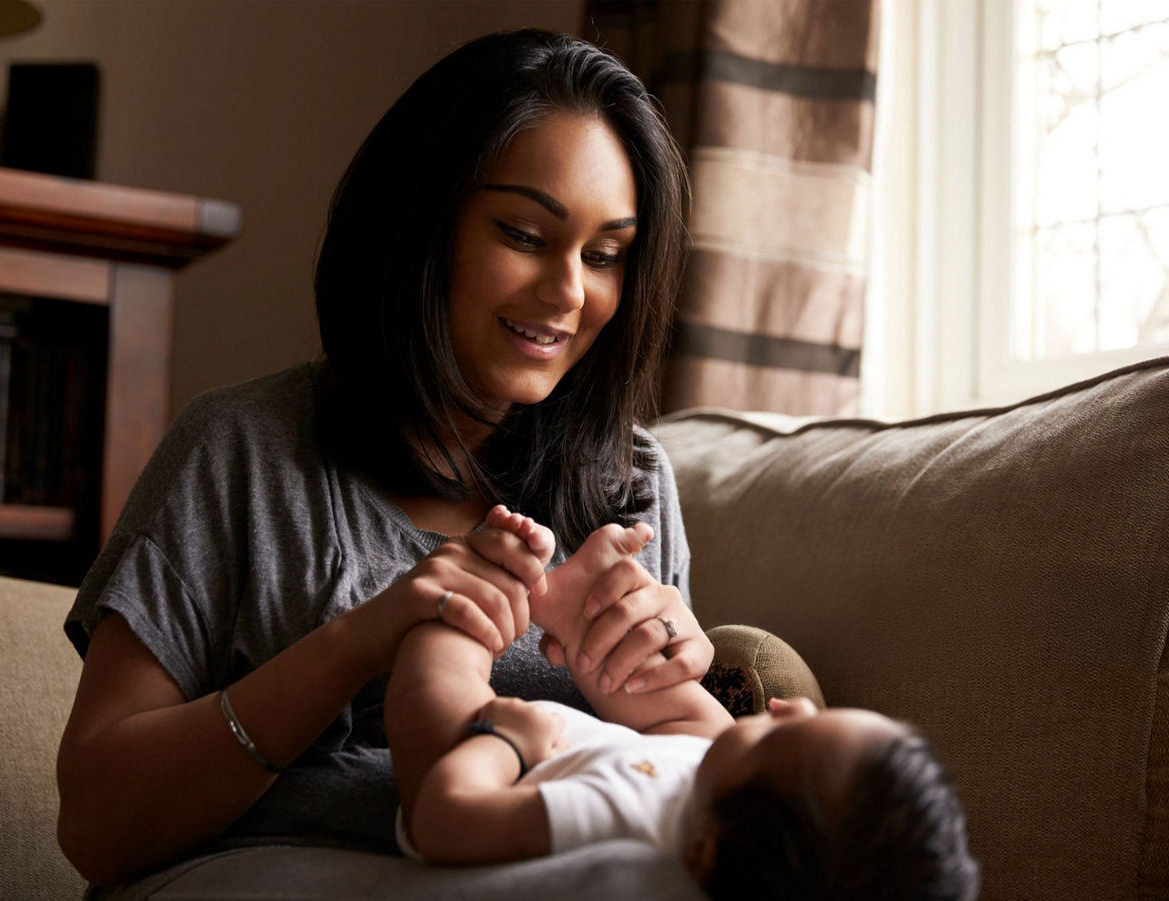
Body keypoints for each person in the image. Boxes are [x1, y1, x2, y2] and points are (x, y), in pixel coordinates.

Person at [55, 29, 713, 890]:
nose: (569, 294)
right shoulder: (241, 449)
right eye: (523, 233)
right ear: (419, 224)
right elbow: (97, 825)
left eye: (604, 256)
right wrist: (359, 640)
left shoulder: (629, 483)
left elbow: (673, 778)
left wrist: (662, 679)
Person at [388, 508, 981, 900]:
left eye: (775, 741)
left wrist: (501, 741)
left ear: (707, 849)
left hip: (481, 764)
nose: (788, 708)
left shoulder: (627, 816)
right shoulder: (716, 795)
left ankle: (460, 603)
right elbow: (679, 725)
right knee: (699, 722)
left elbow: (446, 822)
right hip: (616, 754)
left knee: (446, 683)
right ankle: (578, 615)